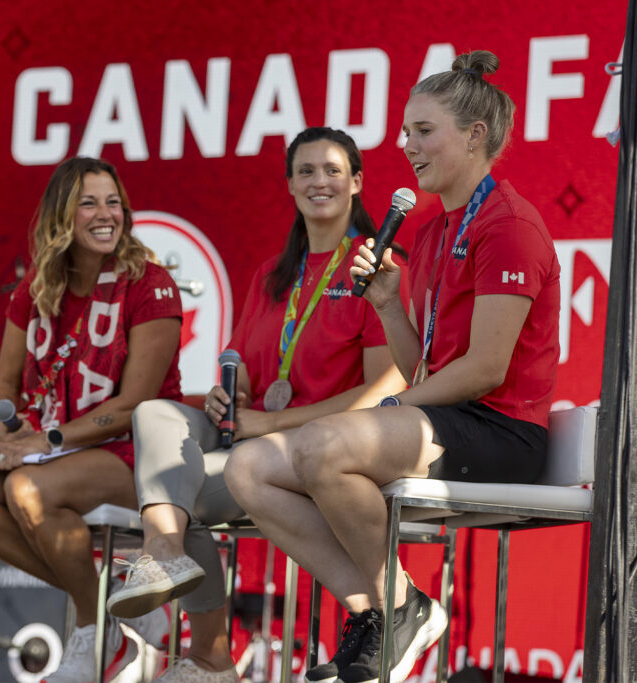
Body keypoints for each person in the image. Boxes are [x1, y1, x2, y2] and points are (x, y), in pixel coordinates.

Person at [225, 50, 562, 683]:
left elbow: (486, 370)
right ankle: (383, 608)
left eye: (422, 131)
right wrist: (386, 308)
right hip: (446, 419)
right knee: (248, 468)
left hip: (502, 432)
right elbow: (425, 365)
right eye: (406, 131)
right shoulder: (434, 231)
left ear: (475, 135)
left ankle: (401, 607)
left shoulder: (509, 224)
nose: (405, 144)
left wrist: (387, 411)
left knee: (323, 446)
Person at [105, 127, 408, 682]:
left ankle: (211, 657)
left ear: (357, 182)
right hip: (250, 442)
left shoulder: (376, 268)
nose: (320, 181)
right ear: (290, 185)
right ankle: (165, 549)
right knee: (153, 415)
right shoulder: (271, 274)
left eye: (333, 170)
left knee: (179, 482)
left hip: (313, 455)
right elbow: (243, 358)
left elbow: (380, 392)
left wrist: (272, 420)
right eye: (306, 171)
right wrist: (230, 386)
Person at [0, 156, 183, 683]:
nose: (106, 214)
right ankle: (105, 612)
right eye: (89, 203)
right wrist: (0, 433)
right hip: (51, 451)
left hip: (136, 453)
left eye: (113, 202)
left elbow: (133, 407)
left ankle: (90, 630)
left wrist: (43, 440)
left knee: (29, 489)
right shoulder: (34, 289)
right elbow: (3, 386)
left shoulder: (150, 284)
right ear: (61, 216)